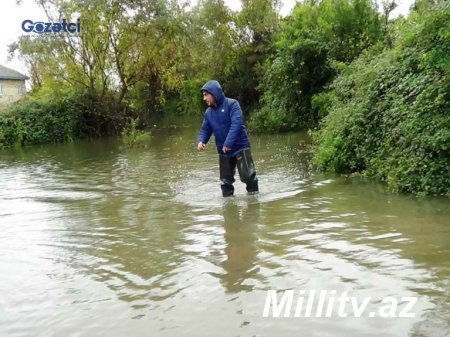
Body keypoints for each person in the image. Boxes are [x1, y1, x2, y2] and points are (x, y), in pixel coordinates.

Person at [197, 80, 259, 197]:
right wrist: (201, 141)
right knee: (225, 182)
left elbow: (237, 124)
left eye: (206, 95)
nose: (204, 98)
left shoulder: (232, 104)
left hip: (240, 147)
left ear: (214, 93)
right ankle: (228, 208)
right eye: (203, 95)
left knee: (248, 176)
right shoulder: (208, 113)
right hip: (223, 152)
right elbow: (205, 129)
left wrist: (228, 143)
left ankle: (254, 201)